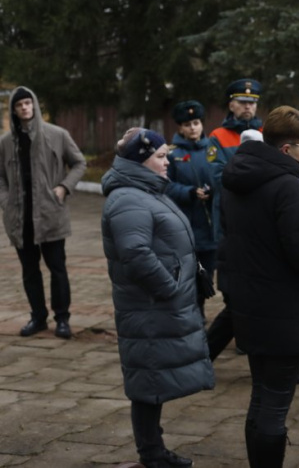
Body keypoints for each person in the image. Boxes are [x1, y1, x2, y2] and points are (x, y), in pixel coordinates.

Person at [219, 105, 299, 467]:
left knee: (260, 396)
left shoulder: (236, 176)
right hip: (285, 313)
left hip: (250, 306)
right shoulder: (287, 187)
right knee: (274, 405)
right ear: (286, 149)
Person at [101, 128, 215, 468]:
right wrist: (170, 287)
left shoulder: (147, 190)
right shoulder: (128, 199)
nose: (169, 161)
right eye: (162, 156)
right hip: (148, 307)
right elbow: (135, 253)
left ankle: (153, 453)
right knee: (148, 382)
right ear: (141, 160)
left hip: (156, 306)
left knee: (153, 380)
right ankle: (151, 456)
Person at [0, 86, 87, 339]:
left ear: (35, 105)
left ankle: (62, 319)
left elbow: (79, 163)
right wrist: (5, 200)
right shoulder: (6, 143)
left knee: (57, 267)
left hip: (50, 214)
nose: (25, 108)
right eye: (19, 105)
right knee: (30, 271)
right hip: (20, 218)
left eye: (28, 103)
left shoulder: (57, 134)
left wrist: (64, 187)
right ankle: (38, 317)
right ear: (14, 110)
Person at [206, 78, 263, 360]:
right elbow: (217, 176)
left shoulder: (267, 131)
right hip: (230, 219)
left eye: (252, 102)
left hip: (261, 220)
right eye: (242, 102)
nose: (248, 107)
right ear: (231, 104)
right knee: (233, 287)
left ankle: (248, 336)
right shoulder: (218, 136)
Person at [166, 101, 216, 317]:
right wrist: (188, 192)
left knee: (208, 272)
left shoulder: (213, 150)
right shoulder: (172, 154)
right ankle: (192, 312)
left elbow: (221, 176)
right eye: (187, 124)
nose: (193, 128)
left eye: (196, 123)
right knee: (188, 273)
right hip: (186, 223)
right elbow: (166, 185)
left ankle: (200, 309)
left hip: (211, 224)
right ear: (180, 128)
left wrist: (213, 191)